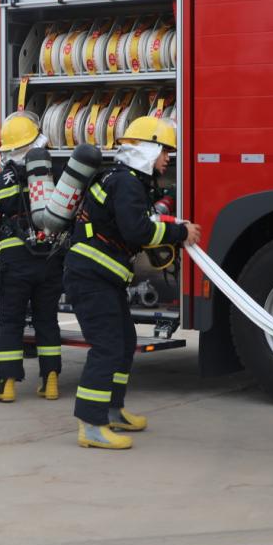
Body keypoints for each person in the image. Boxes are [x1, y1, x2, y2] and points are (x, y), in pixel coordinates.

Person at [66, 116, 199, 449]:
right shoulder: (126, 183)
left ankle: (113, 411)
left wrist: (171, 225)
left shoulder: (125, 180)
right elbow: (137, 230)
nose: (167, 158)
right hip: (91, 278)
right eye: (164, 151)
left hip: (102, 277)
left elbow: (138, 222)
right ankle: (91, 426)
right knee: (108, 346)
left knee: (124, 342)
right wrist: (179, 232)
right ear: (148, 150)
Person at [0, 111, 64, 403]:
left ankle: (7, 384)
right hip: (50, 259)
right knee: (47, 320)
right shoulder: (53, 174)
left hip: (14, 262)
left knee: (11, 321)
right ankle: (50, 381)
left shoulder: (0, 181)